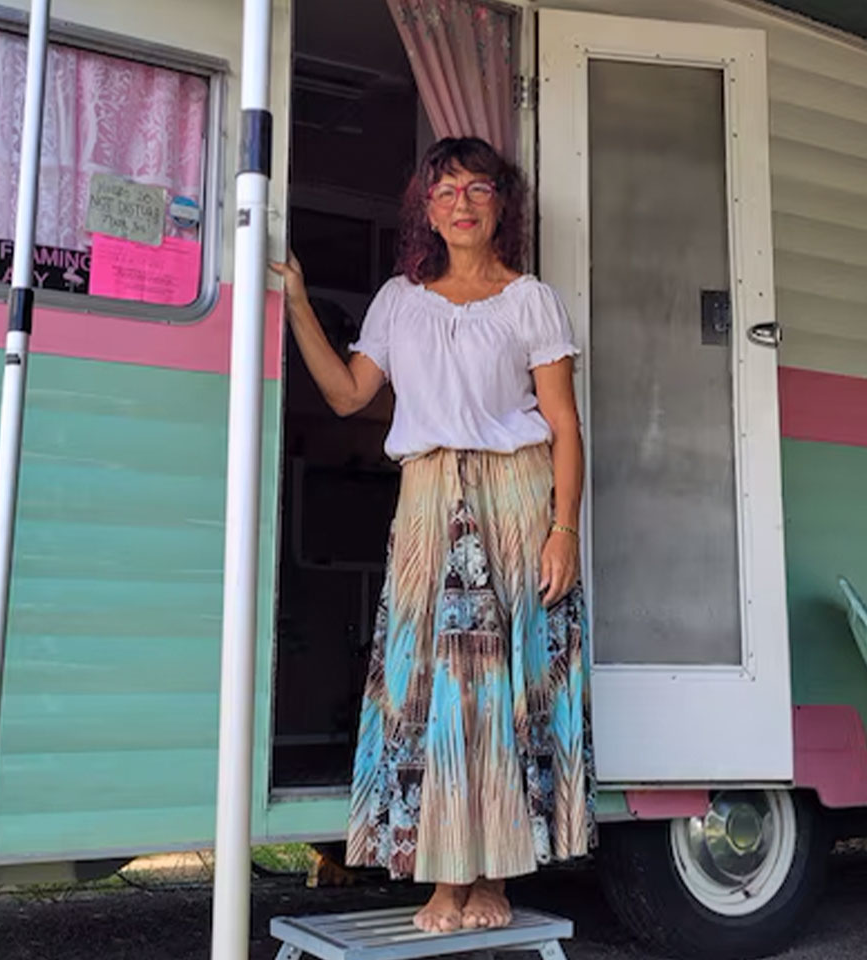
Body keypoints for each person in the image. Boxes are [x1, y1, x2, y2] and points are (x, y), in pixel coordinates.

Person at [272, 136, 595, 934]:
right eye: (444, 190)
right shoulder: (397, 300)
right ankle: (442, 879)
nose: (460, 203)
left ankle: (494, 879)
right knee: (430, 689)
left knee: (505, 689)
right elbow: (350, 396)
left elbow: (563, 425)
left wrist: (564, 530)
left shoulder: (531, 301)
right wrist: (300, 308)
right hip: (426, 500)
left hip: (518, 499)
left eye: (476, 189)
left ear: (501, 204)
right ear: (426, 207)